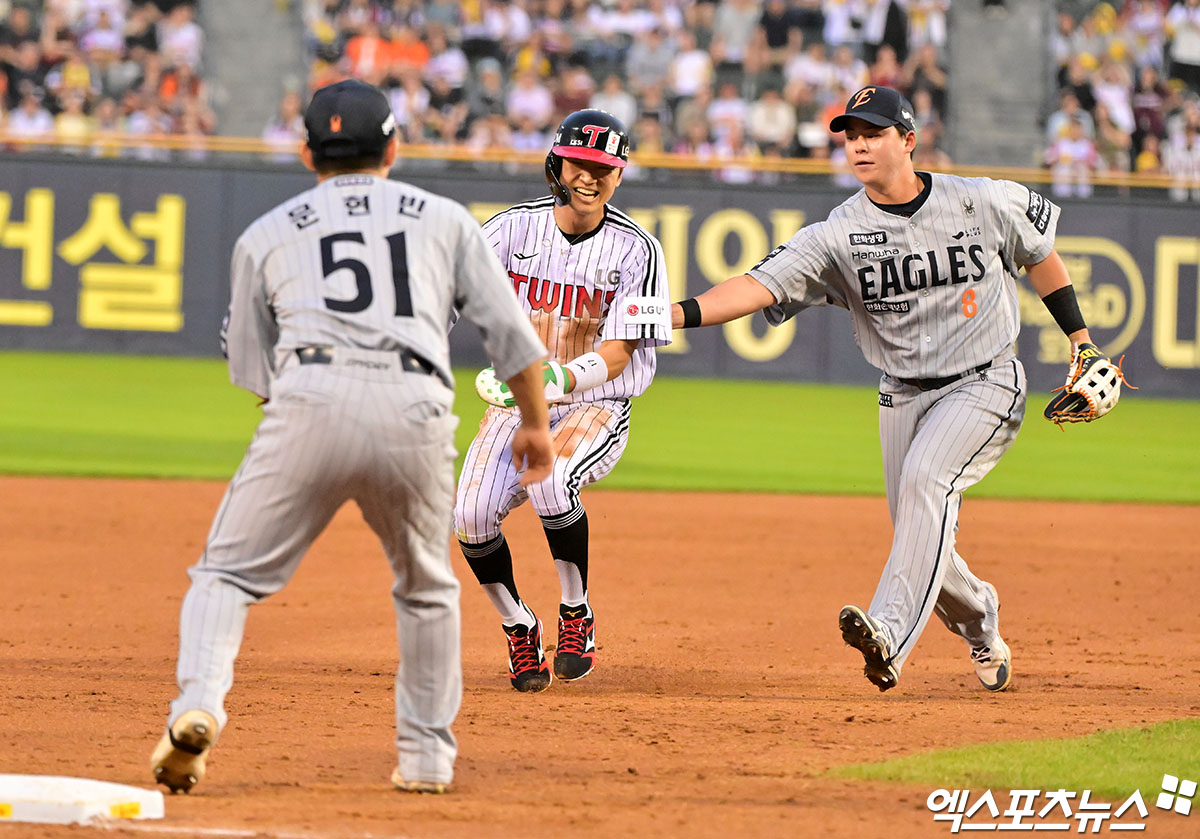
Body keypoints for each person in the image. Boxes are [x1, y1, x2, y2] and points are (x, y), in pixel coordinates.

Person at [149, 79, 554, 795]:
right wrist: (534, 426)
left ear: (308, 153)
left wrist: (309, 417)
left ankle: (197, 707)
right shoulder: (445, 218)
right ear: (394, 146)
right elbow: (515, 342)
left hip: (308, 393)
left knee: (226, 575)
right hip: (415, 406)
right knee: (427, 587)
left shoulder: (265, 232)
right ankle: (427, 758)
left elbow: (252, 369)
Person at [670, 85, 1112, 694]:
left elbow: (1041, 254)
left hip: (985, 380)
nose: (859, 145)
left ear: (908, 140)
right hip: (901, 393)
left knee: (927, 482)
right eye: (851, 136)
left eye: (872, 133)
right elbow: (756, 285)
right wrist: (675, 314)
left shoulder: (978, 201)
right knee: (917, 529)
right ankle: (982, 618)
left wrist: (1081, 341)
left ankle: (888, 633)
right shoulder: (839, 233)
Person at [453, 109, 673, 692]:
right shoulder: (508, 230)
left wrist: (559, 380)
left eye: (605, 167)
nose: (590, 177)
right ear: (556, 162)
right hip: (517, 402)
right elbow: (449, 297)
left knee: (550, 481)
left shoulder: (637, 249)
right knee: (470, 518)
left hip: (594, 402)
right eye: (580, 163)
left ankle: (575, 612)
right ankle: (518, 628)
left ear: (619, 175)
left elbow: (621, 352)